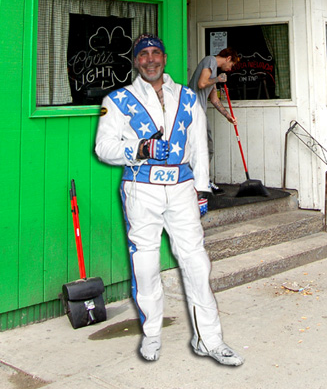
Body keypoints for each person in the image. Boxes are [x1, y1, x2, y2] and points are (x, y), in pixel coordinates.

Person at [95, 34, 243, 366]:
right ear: (136, 60)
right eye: (143, 54)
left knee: (196, 262)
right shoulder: (118, 100)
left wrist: (203, 190)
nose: (150, 59)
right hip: (140, 188)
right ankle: (151, 334)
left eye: (155, 53)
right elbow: (103, 148)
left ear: (164, 57)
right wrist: (139, 148)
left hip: (181, 189)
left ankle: (210, 339)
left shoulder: (189, 98)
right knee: (146, 265)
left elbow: (199, 149)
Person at [188, 48, 239, 190]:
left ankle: (201, 180)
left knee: (205, 148)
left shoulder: (213, 70)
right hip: (193, 113)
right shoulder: (209, 60)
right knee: (202, 148)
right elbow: (202, 83)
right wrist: (218, 79)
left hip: (199, 113)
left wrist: (227, 116)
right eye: (232, 65)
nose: (229, 69)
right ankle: (200, 182)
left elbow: (214, 99)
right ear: (228, 58)